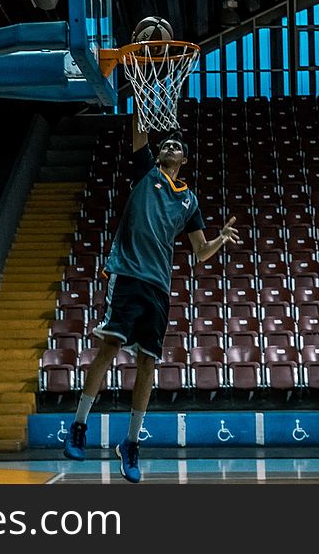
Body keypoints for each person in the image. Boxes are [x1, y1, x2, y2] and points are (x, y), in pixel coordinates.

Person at [63, 112, 241, 482]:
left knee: (147, 364)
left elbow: (200, 251)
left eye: (176, 146)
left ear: (185, 159)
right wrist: (143, 93)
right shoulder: (146, 172)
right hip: (128, 273)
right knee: (110, 347)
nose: (170, 147)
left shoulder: (189, 200)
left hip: (158, 286)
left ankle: (130, 444)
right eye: (166, 145)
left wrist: (220, 239)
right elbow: (139, 134)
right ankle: (79, 425)